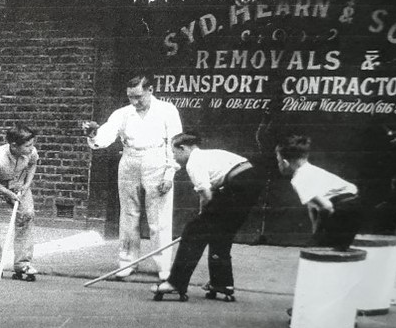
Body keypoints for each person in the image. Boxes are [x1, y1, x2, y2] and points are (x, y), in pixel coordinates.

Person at [83, 74, 182, 281]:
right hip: (129, 160)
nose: (134, 102)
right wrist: (93, 134)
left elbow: (174, 143)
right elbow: (106, 136)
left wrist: (169, 172)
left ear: (150, 91)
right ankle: (127, 262)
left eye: (138, 97)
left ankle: (164, 266)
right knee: (128, 216)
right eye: (130, 97)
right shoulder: (123, 113)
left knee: (159, 218)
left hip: (157, 160)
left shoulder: (167, 110)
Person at [151, 132, 266, 301]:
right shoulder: (208, 155)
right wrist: (206, 214)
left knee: (193, 231)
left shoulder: (194, 163)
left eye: (174, 152)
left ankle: (175, 283)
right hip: (250, 181)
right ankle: (222, 284)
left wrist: (204, 216)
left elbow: (206, 194)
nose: (174, 157)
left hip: (238, 184)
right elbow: (208, 195)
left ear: (183, 148)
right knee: (220, 235)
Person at [275, 134, 363, 251]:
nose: (279, 165)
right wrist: (315, 234)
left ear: (285, 163)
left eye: (278, 161)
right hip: (355, 203)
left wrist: (317, 235)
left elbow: (327, 207)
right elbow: (313, 207)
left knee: (322, 251)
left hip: (342, 208)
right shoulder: (312, 170)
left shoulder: (298, 179)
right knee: (331, 248)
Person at [0, 123, 39, 281]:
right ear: (14, 146)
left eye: (32, 144)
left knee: (26, 215)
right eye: (27, 145)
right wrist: (7, 193)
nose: (32, 148)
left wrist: (26, 185)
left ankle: (22, 263)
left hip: (18, 184)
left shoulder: (30, 151)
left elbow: (33, 164)